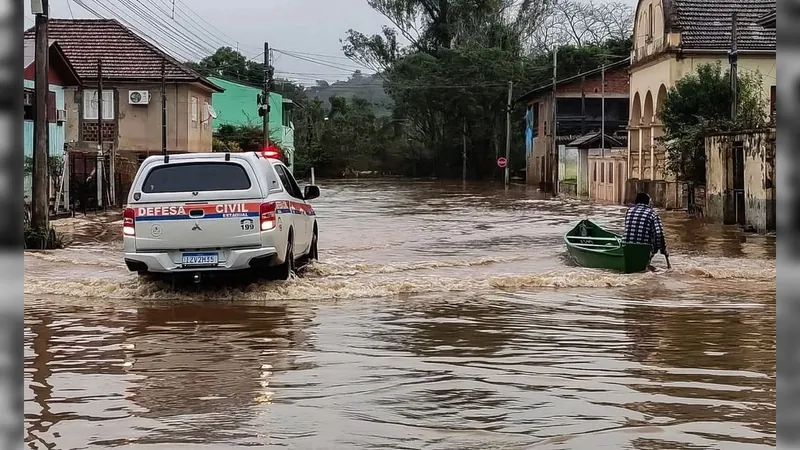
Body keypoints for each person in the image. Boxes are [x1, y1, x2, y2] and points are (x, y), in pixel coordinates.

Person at [623, 192, 669, 268]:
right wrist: (663, 248)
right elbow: (659, 234)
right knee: (655, 241)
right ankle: (647, 262)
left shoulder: (629, 211)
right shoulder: (653, 214)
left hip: (627, 247)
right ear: (648, 202)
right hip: (644, 249)